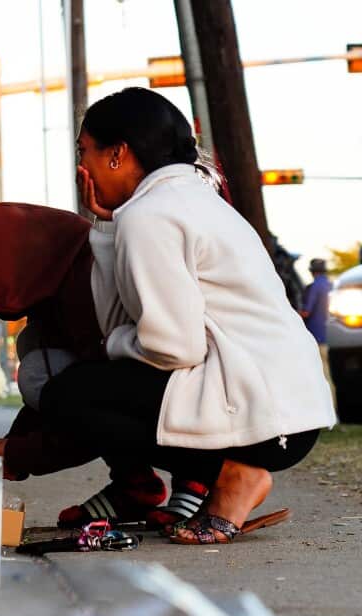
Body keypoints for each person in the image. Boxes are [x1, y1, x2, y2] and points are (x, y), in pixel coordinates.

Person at [41, 86, 335, 545]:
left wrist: (114, 344)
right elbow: (126, 315)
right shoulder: (182, 201)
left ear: (116, 154)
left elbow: (171, 347)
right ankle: (219, 475)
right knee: (89, 382)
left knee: (69, 395)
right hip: (287, 411)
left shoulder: (151, 215)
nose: (82, 168)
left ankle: (234, 477)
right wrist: (106, 225)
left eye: (86, 152)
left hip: (264, 415)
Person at [0, 202, 167, 528]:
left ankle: (202, 482)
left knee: (60, 378)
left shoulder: (91, 284)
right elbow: (54, 392)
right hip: (122, 388)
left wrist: (21, 454)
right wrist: (12, 445)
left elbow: (87, 405)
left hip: (178, 389)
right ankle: (136, 486)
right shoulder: (52, 279)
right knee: (36, 353)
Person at [302, 257, 336, 408]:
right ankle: (334, 410)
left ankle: (326, 411)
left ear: (312, 272)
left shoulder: (315, 287)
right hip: (330, 335)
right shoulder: (331, 285)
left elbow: (306, 312)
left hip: (316, 335)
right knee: (329, 375)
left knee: (321, 375)